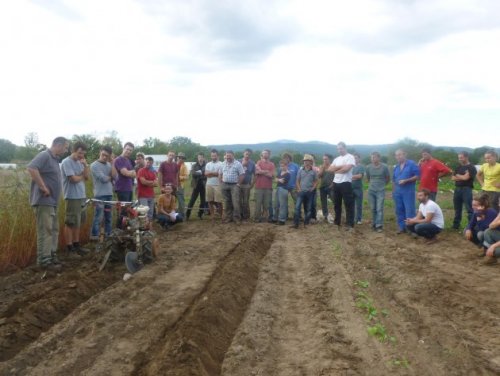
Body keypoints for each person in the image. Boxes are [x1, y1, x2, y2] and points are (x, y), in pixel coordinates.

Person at [27, 137, 69, 271]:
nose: (66, 150)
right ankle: (44, 261)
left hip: (52, 202)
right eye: (65, 147)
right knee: (45, 230)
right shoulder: (44, 155)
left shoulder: (55, 160)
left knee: (54, 229)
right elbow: (32, 168)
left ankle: (51, 255)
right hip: (43, 201)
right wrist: (43, 187)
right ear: (58, 145)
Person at [61, 141, 90, 257]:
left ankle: (76, 245)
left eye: (83, 154)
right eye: (79, 153)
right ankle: (69, 248)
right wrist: (82, 175)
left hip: (81, 196)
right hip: (72, 196)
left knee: (78, 222)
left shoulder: (81, 162)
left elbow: (86, 177)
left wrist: (85, 165)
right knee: (70, 222)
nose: (81, 156)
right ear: (73, 151)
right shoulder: (66, 162)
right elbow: (73, 179)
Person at [90, 145, 117, 240]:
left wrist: (113, 163)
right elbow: (103, 179)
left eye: (107, 156)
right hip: (99, 195)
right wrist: (111, 177)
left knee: (108, 217)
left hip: (109, 194)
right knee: (98, 217)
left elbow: (116, 177)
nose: (105, 157)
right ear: (100, 152)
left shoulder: (109, 165)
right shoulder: (94, 165)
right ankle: (94, 236)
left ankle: (108, 236)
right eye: (103, 155)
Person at [328, 142, 355, 230]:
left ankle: (349, 224)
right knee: (337, 204)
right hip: (336, 183)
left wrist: (336, 169)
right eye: (338, 149)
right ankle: (337, 222)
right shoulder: (336, 159)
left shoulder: (350, 157)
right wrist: (341, 166)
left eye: (341, 148)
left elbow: (346, 170)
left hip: (346, 183)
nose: (339, 150)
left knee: (348, 204)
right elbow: (330, 169)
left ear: (345, 148)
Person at [392, 149, 420, 234]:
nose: (398, 157)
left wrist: (406, 180)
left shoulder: (411, 164)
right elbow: (393, 180)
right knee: (399, 210)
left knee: (409, 210)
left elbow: (417, 176)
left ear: (405, 154)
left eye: (400, 155)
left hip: (408, 191)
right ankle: (402, 227)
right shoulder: (396, 167)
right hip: (397, 192)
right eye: (396, 155)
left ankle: (411, 229)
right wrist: (393, 192)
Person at [451, 151, 477, 230]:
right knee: (457, 208)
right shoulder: (458, 167)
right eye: (459, 158)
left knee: (469, 209)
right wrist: (462, 176)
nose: (460, 159)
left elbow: (466, 178)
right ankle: (456, 225)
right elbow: (452, 178)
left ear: (466, 157)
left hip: (467, 189)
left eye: (461, 158)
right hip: (457, 189)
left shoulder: (471, 167)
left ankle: (471, 227)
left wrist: (458, 175)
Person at [365, 152, 390, 232]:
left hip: (381, 190)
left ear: (379, 158)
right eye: (372, 158)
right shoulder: (368, 167)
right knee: (373, 208)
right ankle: (374, 223)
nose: (373, 159)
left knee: (379, 208)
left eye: (375, 157)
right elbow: (368, 178)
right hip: (371, 190)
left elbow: (388, 178)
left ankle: (379, 225)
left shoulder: (384, 167)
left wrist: (382, 185)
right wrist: (371, 185)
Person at [292, 154, 318, 228]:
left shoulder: (314, 171)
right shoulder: (300, 170)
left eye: (307, 161)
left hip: (310, 192)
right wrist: (299, 188)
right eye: (305, 161)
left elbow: (316, 180)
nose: (306, 162)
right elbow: (297, 180)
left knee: (309, 208)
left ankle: (306, 223)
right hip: (301, 191)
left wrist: (313, 188)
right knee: (297, 207)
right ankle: (295, 223)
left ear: (311, 162)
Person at [114, 142, 136, 228]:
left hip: (129, 188)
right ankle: (119, 230)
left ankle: (124, 229)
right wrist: (131, 173)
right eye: (127, 149)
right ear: (123, 148)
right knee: (123, 211)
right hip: (122, 188)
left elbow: (134, 174)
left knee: (128, 210)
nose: (129, 151)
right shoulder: (119, 159)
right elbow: (125, 173)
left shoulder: (128, 160)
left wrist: (131, 173)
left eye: (131, 150)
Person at [219, 150, 245, 223]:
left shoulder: (238, 164)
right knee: (226, 202)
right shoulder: (223, 163)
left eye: (230, 156)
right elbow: (220, 174)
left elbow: (242, 174)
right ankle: (228, 218)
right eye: (227, 156)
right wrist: (221, 183)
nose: (228, 157)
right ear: (225, 156)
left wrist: (238, 184)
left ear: (233, 156)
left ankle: (236, 218)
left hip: (234, 185)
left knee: (235, 202)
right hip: (224, 184)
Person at [254, 149, 275, 223]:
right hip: (259, 186)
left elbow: (271, 175)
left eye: (267, 153)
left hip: (268, 187)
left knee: (266, 204)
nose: (265, 154)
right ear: (262, 155)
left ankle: (264, 217)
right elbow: (257, 172)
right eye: (264, 153)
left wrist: (262, 171)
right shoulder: (258, 162)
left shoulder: (272, 164)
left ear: (269, 155)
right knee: (258, 203)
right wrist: (266, 171)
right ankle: (257, 218)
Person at [186, 152, 207, 220]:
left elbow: (206, 174)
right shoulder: (194, 165)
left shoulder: (207, 165)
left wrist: (200, 173)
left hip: (203, 185)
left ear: (203, 158)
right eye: (199, 157)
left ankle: (200, 214)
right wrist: (201, 174)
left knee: (203, 201)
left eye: (201, 157)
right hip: (196, 185)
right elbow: (193, 174)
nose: (200, 158)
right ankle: (187, 214)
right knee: (192, 200)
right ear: (197, 158)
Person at [137, 156, 158, 223]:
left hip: (151, 195)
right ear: (145, 161)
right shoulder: (141, 171)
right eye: (147, 162)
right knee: (143, 213)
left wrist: (148, 182)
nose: (148, 164)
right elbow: (143, 182)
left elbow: (156, 184)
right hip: (143, 195)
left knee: (150, 213)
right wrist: (152, 182)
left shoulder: (152, 172)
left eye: (150, 163)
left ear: (152, 164)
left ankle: (149, 228)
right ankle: (143, 229)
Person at [205, 149, 223, 219]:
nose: (213, 157)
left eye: (215, 156)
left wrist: (211, 173)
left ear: (217, 156)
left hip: (218, 184)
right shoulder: (208, 164)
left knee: (219, 201)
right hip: (209, 184)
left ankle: (221, 215)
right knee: (210, 201)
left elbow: (220, 174)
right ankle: (212, 215)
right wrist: (215, 173)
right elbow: (206, 174)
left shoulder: (221, 164)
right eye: (212, 156)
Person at [239, 149, 255, 221]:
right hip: (238, 184)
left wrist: (252, 184)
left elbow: (255, 175)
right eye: (246, 154)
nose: (247, 155)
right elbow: (235, 171)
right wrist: (242, 165)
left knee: (245, 201)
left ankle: (246, 216)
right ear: (243, 153)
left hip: (246, 185)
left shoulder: (252, 163)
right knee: (238, 201)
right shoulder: (238, 161)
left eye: (249, 154)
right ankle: (239, 215)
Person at [273, 159, 290, 225]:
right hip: (278, 188)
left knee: (283, 205)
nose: (282, 167)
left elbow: (282, 181)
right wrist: (278, 179)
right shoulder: (280, 172)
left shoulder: (288, 174)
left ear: (286, 166)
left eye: (283, 166)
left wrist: (278, 179)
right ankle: (275, 218)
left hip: (283, 189)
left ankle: (282, 220)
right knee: (276, 204)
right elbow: (275, 179)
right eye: (281, 166)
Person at [317, 154, 335, 222]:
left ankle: (337, 214)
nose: (324, 160)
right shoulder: (322, 166)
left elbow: (336, 176)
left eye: (326, 159)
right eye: (323, 159)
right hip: (322, 186)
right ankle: (325, 215)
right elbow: (318, 176)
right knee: (323, 202)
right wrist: (321, 169)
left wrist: (332, 184)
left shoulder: (333, 167)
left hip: (331, 187)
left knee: (334, 201)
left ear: (329, 159)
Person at [352, 153, 365, 224]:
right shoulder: (351, 166)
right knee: (351, 204)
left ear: (359, 159)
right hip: (351, 188)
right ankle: (353, 218)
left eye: (356, 158)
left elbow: (360, 176)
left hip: (358, 188)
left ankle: (359, 219)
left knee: (359, 205)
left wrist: (351, 177)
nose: (355, 159)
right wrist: (354, 176)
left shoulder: (361, 167)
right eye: (354, 158)